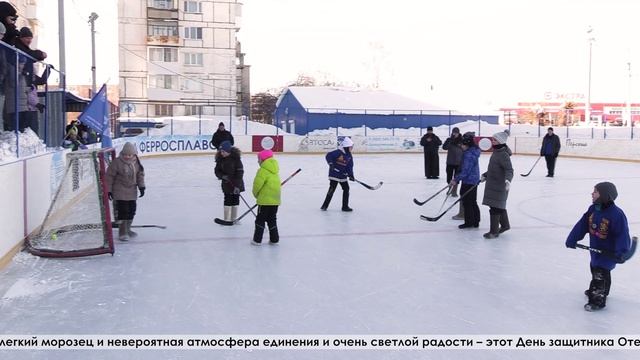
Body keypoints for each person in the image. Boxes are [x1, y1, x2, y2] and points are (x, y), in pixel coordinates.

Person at [565, 182, 632, 312]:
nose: (592, 193)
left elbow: (622, 234)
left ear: (604, 196)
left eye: (595, 192)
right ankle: (603, 290)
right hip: (595, 250)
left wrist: (622, 251)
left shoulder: (616, 214)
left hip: (608, 252)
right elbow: (582, 224)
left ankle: (597, 300)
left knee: (599, 273)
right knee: (596, 269)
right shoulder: (593, 209)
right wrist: (573, 238)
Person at [106, 142, 146, 241]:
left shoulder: (136, 162)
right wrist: (109, 190)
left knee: (131, 211)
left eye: (129, 155)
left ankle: (128, 229)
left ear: (134, 154)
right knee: (123, 212)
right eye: (125, 155)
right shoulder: (116, 162)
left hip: (131, 191)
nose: (127, 157)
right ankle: (122, 232)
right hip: (119, 190)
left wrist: (141, 187)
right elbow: (109, 177)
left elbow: (140, 175)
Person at [481, 130, 513, 239]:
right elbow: (494, 168)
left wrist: (508, 180)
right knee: (497, 206)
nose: (492, 141)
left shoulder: (503, 155)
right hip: (493, 184)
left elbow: (509, 170)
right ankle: (505, 225)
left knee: (495, 208)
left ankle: (494, 232)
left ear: (500, 141)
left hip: (500, 186)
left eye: (494, 139)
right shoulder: (496, 152)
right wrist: (486, 175)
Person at [451, 132, 481, 229]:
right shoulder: (474, 151)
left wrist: (456, 179)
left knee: (467, 202)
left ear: (467, 144)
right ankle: (476, 221)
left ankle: (469, 222)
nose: (461, 146)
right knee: (472, 201)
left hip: (468, 181)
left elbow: (465, 171)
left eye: (463, 144)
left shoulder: (468, 155)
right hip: (474, 180)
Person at [252, 149, 281, 245]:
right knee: (272, 219)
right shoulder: (275, 171)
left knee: (260, 220)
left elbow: (257, 185)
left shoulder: (262, 171)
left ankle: (257, 240)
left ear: (263, 160)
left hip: (264, 201)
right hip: (275, 201)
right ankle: (274, 239)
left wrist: (256, 195)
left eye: (259, 159)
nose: (257, 161)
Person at [321, 136, 354, 212]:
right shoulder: (338, 152)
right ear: (345, 147)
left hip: (343, 175)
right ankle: (324, 206)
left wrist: (351, 175)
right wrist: (331, 164)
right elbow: (328, 155)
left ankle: (345, 206)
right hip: (334, 174)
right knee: (332, 190)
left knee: (346, 189)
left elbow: (350, 166)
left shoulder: (349, 155)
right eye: (350, 147)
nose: (351, 148)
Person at [214, 140, 245, 222]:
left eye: (223, 151)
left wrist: (237, 186)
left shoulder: (236, 159)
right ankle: (226, 218)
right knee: (227, 199)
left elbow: (240, 173)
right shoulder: (220, 159)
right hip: (226, 184)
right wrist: (222, 176)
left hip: (236, 184)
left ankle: (234, 218)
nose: (222, 153)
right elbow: (217, 171)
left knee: (235, 199)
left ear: (228, 151)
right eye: (221, 151)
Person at [442, 127, 463, 197]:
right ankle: (450, 188)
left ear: (458, 133)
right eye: (454, 132)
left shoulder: (462, 140)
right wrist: (450, 141)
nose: (455, 134)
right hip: (450, 162)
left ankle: (454, 191)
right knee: (449, 177)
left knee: (457, 177)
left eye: (456, 133)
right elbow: (444, 147)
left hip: (458, 162)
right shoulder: (449, 139)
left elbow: (465, 149)